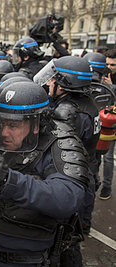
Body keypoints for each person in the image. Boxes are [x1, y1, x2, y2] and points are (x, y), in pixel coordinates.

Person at [0, 81, 89, 267]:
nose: (4, 132)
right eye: (2, 123)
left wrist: (10, 180)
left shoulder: (60, 143)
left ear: (36, 124)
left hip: (25, 261)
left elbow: (68, 196)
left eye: (14, 125)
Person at [34, 56, 100, 236]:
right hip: (88, 172)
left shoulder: (67, 113)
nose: (48, 82)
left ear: (62, 84)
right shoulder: (87, 102)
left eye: (53, 79)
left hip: (73, 179)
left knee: (66, 241)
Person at [99, 48, 116, 199]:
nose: (109, 67)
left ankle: (107, 186)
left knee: (109, 158)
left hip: (114, 123)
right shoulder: (102, 75)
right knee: (101, 153)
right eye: (108, 64)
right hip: (105, 122)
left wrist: (111, 87)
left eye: (113, 65)